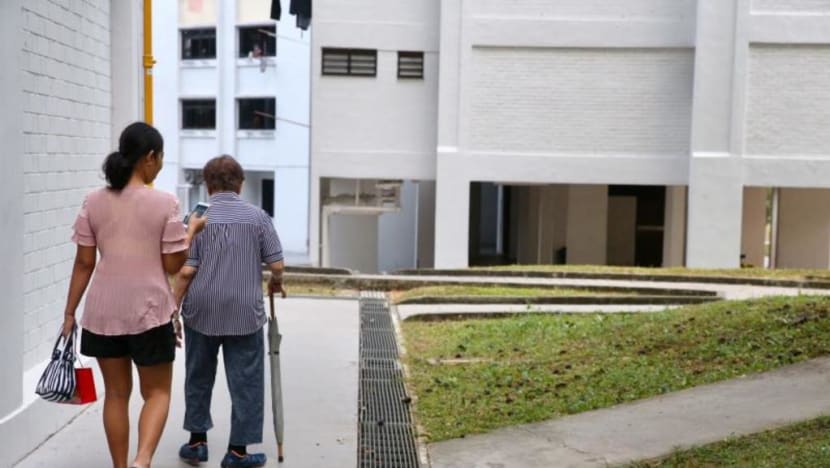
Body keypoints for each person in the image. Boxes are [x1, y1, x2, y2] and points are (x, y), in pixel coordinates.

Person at [61, 122, 207, 468]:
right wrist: (191, 232)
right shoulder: (164, 203)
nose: (159, 165)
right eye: (160, 158)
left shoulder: (93, 201)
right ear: (149, 158)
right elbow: (173, 265)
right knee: (156, 392)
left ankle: (121, 467)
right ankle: (142, 462)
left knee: (115, 394)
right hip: (150, 312)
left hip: (102, 313)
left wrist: (70, 313)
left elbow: (84, 263)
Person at [173, 155, 286, 468]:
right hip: (244, 312)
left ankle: (197, 443)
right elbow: (276, 264)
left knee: (198, 375)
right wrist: (276, 281)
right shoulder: (257, 217)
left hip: (200, 311)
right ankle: (238, 451)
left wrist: (173, 312)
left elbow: (185, 271)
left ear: (208, 186)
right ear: (241, 183)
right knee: (246, 381)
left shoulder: (193, 219)